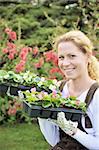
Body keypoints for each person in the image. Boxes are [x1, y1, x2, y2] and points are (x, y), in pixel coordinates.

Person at [38, 30, 99, 150]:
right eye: (61, 57)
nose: (65, 63)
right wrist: (41, 113)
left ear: (87, 56)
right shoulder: (58, 90)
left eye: (72, 56)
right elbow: (54, 140)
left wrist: (74, 131)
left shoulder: (96, 95)